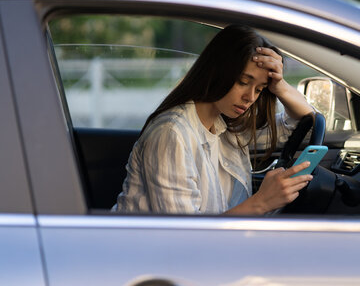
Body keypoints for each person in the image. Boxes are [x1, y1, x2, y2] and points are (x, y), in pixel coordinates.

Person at [113, 25, 314, 215]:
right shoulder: (172, 133)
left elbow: (303, 126)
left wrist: (280, 86)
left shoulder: (227, 126)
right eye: (243, 82)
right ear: (217, 71)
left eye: (260, 89)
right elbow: (184, 237)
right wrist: (261, 202)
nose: (250, 97)